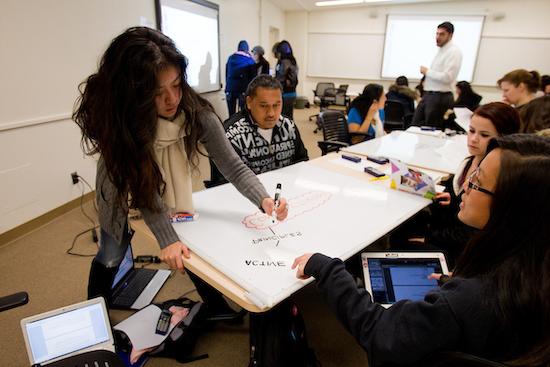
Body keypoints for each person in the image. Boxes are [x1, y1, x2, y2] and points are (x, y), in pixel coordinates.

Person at [72, 27, 288, 318]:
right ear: (134, 93)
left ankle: (214, 307)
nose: (172, 99)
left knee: (185, 240)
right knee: (112, 251)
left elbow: (233, 165)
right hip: (120, 176)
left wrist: (264, 199)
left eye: (176, 85)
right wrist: (165, 238)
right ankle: (91, 316)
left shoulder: (197, 113)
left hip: (158, 185)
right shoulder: (124, 124)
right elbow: (145, 188)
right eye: (157, 93)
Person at [292, 134, 550, 366]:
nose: (466, 184)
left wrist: (326, 268)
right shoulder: (532, 271)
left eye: (477, 180)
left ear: (512, 207)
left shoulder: (471, 299)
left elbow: (381, 333)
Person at [428, 102, 520, 267]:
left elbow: (476, 231)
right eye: (471, 131)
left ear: (504, 138)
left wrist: (428, 237)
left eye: (484, 135)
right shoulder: (469, 161)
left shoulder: (500, 175)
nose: (473, 139)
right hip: (449, 232)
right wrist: (455, 199)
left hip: (462, 249)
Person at [223, 75, 309, 177]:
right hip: (247, 192)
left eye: (276, 105)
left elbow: (302, 162)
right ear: (249, 102)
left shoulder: (288, 125)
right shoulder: (231, 135)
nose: (271, 113)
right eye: (263, 106)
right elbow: (223, 184)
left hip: (285, 187)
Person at [412, 21, 463, 129]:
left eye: (442, 34)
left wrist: (427, 72)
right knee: (415, 126)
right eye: (437, 33)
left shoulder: (454, 51)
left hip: (440, 97)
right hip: (430, 95)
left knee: (430, 130)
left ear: (450, 35)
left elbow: (448, 77)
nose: (438, 37)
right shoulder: (443, 50)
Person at [225, 40, 257, 116]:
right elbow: (254, 77)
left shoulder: (230, 58)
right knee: (243, 113)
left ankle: (230, 127)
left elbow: (226, 73)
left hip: (230, 89)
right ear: (247, 49)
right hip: (243, 90)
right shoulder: (250, 60)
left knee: (231, 114)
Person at [274, 40, 298, 119]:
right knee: (289, 117)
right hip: (292, 93)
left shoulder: (283, 62)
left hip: (285, 94)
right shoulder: (293, 61)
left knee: (282, 118)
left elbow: (280, 79)